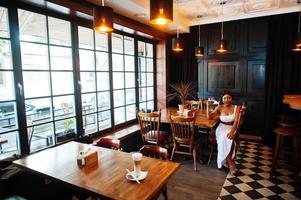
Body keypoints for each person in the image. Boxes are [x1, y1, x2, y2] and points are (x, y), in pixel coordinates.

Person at [206, 91, 242, 175]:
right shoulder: (219, 107)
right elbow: (209, 117)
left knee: (227, 138)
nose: (227, 100)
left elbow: (236, 121)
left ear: (231, 98)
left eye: (228, 98)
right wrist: (208, 106)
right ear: (222, 99)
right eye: (224, 98)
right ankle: (231, 164)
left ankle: (228, 162)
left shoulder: (236, 107)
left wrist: (232, 132)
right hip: (221, 128)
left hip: (232, 127)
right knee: (224, 137)